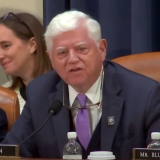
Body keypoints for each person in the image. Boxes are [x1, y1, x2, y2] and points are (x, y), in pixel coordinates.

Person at [2, 10, 160, 159]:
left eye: (81, 49)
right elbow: (11, 152)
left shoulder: (144, 95)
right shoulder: (39, 93)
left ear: (102, 49)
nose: (72, 59)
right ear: (50, 57)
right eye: (62, 52)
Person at [0, 12, 52, 113]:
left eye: (6, 46)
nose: (0, 55)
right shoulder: (3, 98)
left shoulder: (66, 88)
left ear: (32, 44)